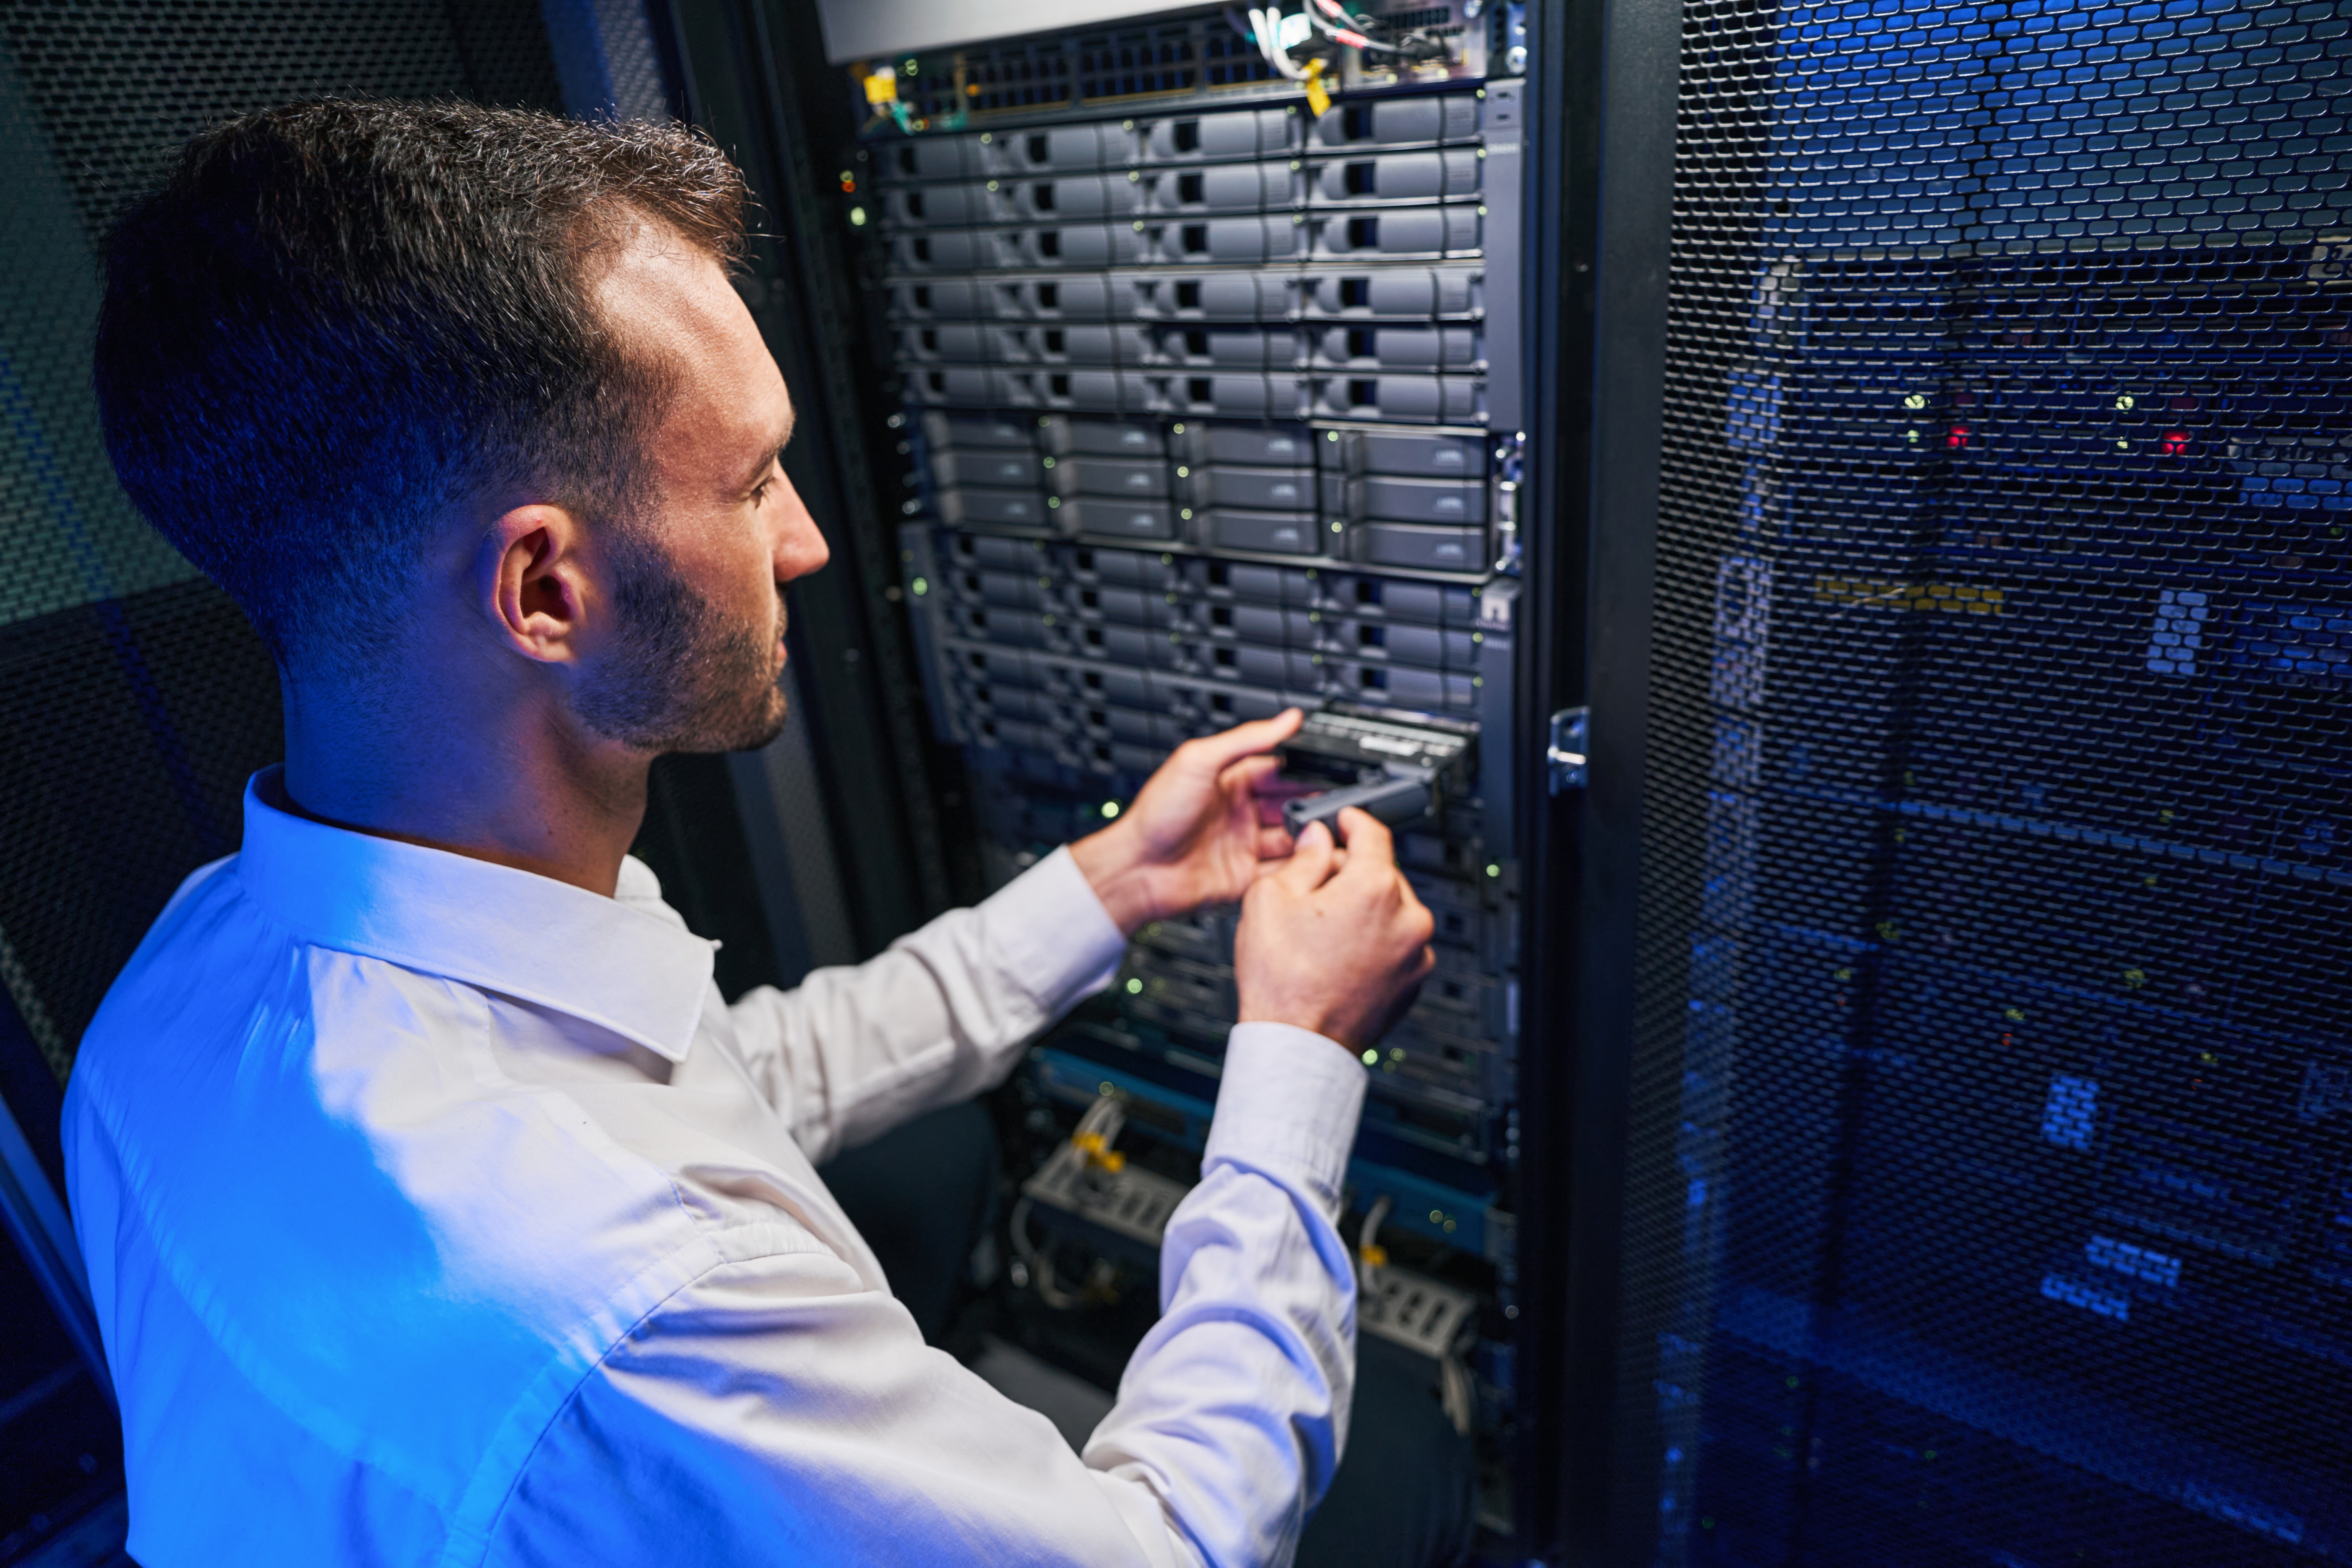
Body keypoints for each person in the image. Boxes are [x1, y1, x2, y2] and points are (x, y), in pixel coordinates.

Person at [65, 100, 1460, 1566]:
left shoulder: (183, 986)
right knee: (1401, 1470)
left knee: (925, 1170)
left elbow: (722, 1087)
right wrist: (1300, 1050)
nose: (806, 541)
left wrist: (1115, 884)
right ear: (545, 592)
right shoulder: (629, 1299)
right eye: (749, 483)